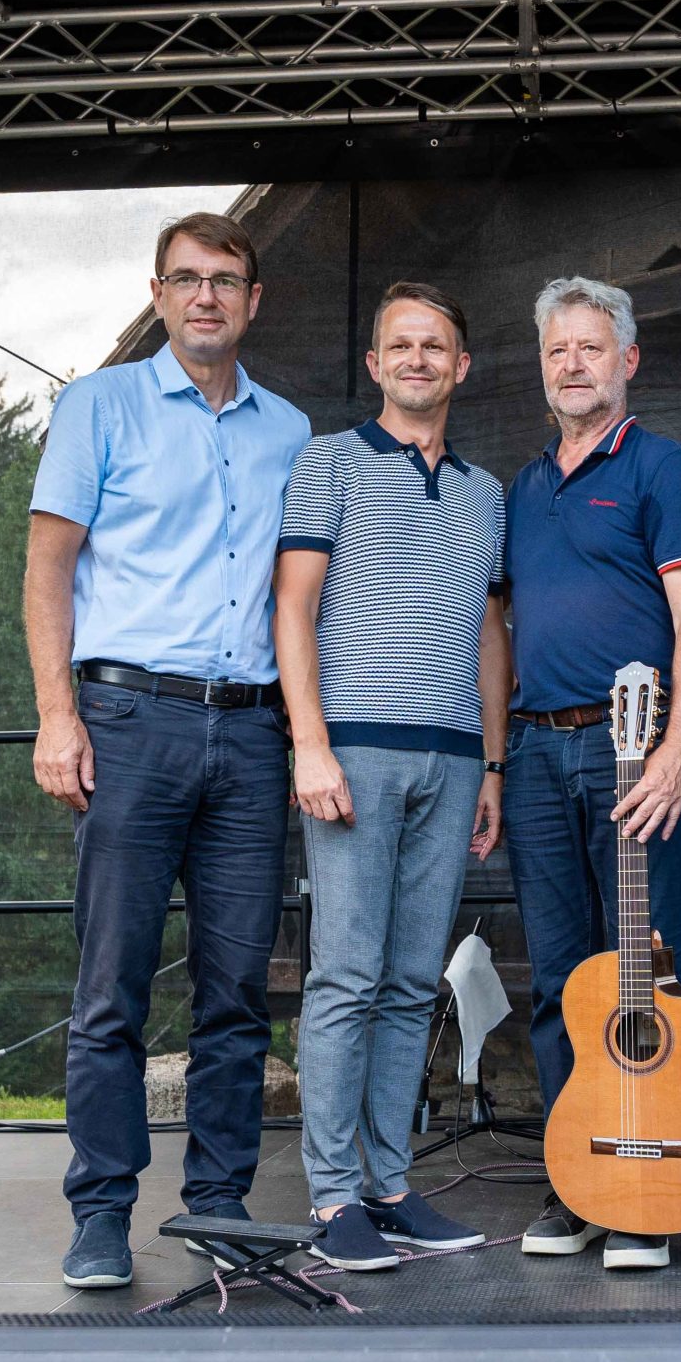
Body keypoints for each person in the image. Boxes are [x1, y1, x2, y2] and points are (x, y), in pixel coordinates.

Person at [27, 211, 310, 1290]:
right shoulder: (97, 406)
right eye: (186, 279)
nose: (205, 297)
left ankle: (219, 1205)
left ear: (253, 300)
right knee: (113, 988)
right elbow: (48, 571)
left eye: (225, 280)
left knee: (237, 990)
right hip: (130, 723)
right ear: (157, 294)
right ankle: (101, 1212)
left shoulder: (290, 430)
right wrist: (58, 716)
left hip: (251, 733)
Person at [275, 281, 507, 1272]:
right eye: (400, 345)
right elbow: (292, 608)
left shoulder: (486, 493)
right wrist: (309, 743)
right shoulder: (327, 462)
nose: (418, 359)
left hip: (452, 758)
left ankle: (389, 1186)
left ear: (462, 366)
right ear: (374, 364)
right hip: (355, 751)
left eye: (435, 346)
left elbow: (491, 634)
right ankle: (334, 1198)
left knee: (414, 982)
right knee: (346, 975)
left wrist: (492, 764)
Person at [503, 275, 681, 1272]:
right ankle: (577, 1179)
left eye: (590, 347)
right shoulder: (522, 487)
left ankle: (646, 1191)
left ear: (627, 360)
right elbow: (496, 628)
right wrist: (497, 761)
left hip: (633, 748)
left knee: (648, 974)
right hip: (536, 750)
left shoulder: (661, 467)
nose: (572, 364)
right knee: (557, 980)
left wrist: (679, 750)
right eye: (557, 350)